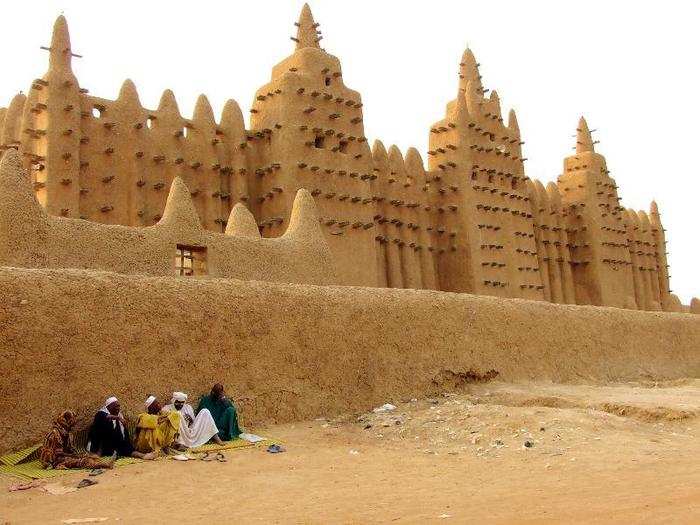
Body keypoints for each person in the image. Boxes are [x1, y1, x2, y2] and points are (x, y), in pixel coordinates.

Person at [40, 410, 116, 470]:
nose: (72, 425)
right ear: (66, 422)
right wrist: (75, 456)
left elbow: (71, 450)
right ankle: (104, 465)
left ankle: (101, 463)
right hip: (54, 461)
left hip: (63, 456)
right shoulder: (55, 434)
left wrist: (79, 455)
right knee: (83, 461)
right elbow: (57, 454)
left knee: (90, 456)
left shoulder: (67, 434)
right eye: (71, 423)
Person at [87, 396, 155, 460]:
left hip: (114, 445)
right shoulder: (100, 414)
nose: (118, 408)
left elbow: (123, 434)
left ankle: (143, 456)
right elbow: (106, 417)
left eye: (118, 406)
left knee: (127, 448)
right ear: (109, 406)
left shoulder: (119, 416)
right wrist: (118, 418)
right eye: (116, 406)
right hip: (99, 445)